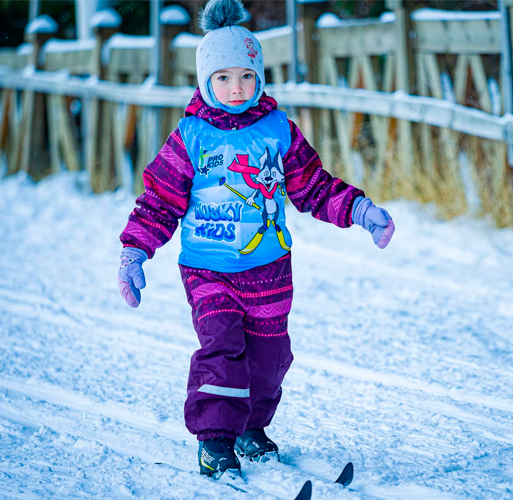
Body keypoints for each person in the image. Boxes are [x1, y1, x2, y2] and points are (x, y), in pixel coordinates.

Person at [118, 0, 395, 479]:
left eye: (246, 76)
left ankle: (251, 428)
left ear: (259, 77)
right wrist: (134, 251)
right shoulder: (190, 135)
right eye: (222, 78)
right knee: (222, 350)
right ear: (205, 80)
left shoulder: (278, 130)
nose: (235, 87)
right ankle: (216, 442)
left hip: (269, 269)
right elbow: (159, 200)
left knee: (269, 360)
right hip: (209, 268)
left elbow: (314, 185)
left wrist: (360, 211)